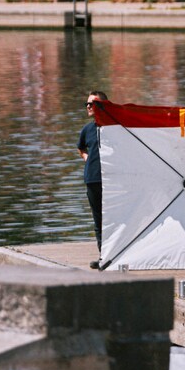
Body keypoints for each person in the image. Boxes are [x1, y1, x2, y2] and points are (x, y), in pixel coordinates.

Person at [77, 90, 107, 270]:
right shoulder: (87, 129)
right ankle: (104, 257)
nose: (88, 106)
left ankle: (117, 253)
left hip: (111, 180)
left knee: (114, 218)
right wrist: (87, 159)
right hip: (92, 179)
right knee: (98, 220)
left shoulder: (113, 128)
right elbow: (80, 147)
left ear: (103, 106)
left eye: (92, 103)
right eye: (87, 104)